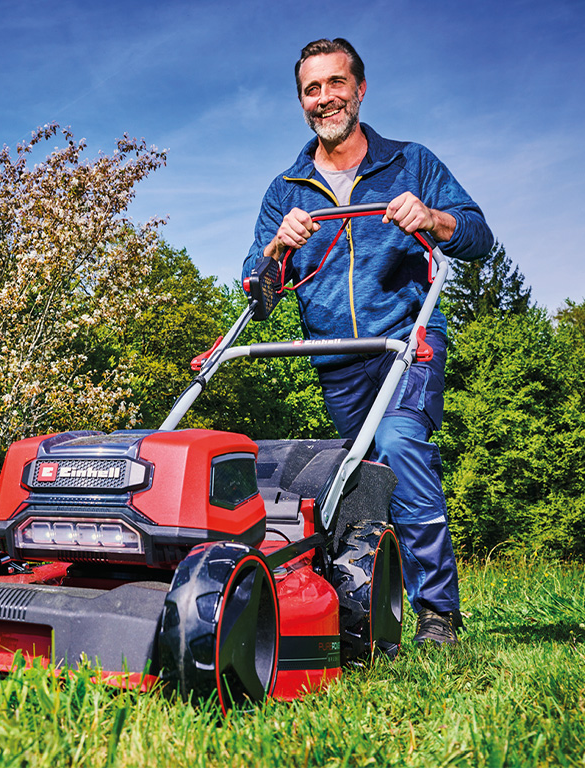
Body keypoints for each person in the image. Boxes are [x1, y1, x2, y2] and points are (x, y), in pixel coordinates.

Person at [242, 38, 494, 646]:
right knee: (360, 476)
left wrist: (432, 218)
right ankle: (361, 603)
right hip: (335, 359)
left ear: (359, 89)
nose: (324, 98)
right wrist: (278, 247)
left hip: (407, 341)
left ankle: (438, 613)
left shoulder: (412, 162)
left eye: (335, 83)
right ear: (301, 100)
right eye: (311, 89)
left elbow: (479, 238)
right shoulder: (286, 188)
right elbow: (259, 288)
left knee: (402, 443)